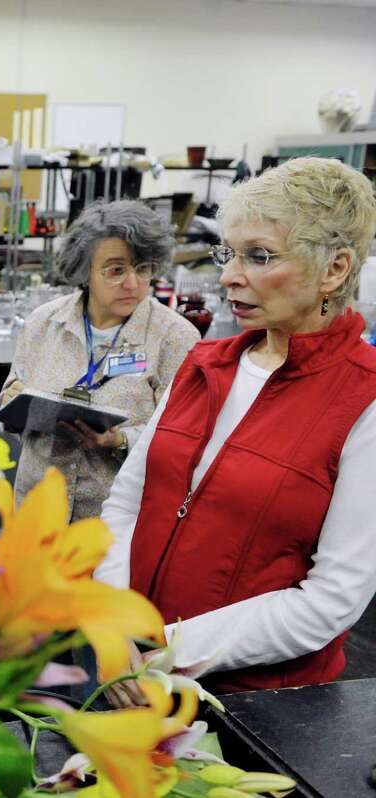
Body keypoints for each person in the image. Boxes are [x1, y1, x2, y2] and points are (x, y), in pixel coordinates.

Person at [97, 157, 376, 697]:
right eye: (230, 253)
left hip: (256, 705)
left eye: (260, 256)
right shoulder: (205, 364)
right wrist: (114, 625)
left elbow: (331, 598)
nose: (228, 274)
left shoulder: (363, 400)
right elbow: (127, 504)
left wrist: (166, 652)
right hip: (131, 676)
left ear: (335, 269)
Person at [0, 201, 200, 520]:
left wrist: (120, 440)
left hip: (116, 524)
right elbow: (9, 407)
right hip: (37, 515)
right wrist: (11, 403)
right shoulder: (44, 323)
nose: (132, 284)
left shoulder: (175, 337)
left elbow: (187, 439)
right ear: (83, 271)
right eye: (116, 270)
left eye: (142, 269)